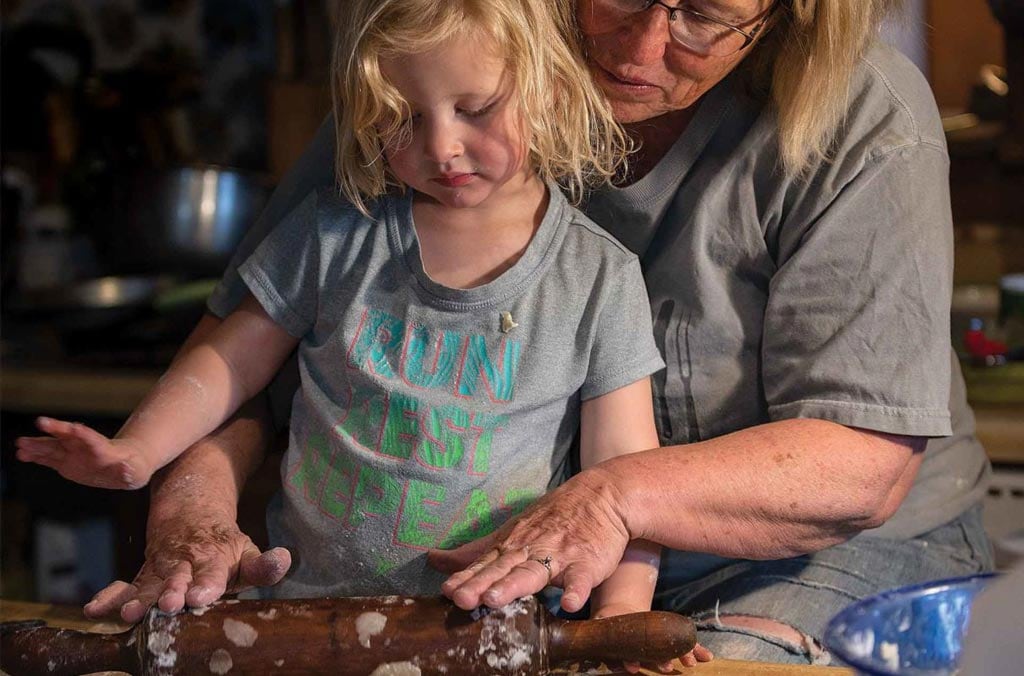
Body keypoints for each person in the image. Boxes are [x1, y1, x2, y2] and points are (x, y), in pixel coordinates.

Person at [74, 0, 994, 667]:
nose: (642, 45)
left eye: (703, 15)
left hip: (821, 556)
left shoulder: (861, 113)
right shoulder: (444, 65)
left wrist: (610, 503)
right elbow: (244, 364)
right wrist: (192, 510)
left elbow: (861, 466)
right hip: (517, 575)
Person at [16, 0, 671, 631]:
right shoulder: (331, 234)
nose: (442, 147)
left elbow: (622, 479)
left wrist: (621, 623)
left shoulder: (599, 279)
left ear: (551, 85)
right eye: (403, 118)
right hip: (305, 617)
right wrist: (138, 449)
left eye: (476, 109)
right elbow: (227, 362)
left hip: (488, 633)